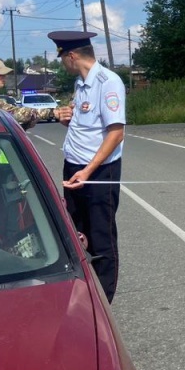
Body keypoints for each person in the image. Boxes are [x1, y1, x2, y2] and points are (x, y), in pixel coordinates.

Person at [49, 31, 126, 302]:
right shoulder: (80, 84)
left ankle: (104, 300)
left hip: (97, 171)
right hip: (75, 167)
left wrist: (88, 171)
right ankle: (84, 286)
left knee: (100, 234)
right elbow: (88, 124)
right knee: (77, 231)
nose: (62, 64)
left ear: (71, 56)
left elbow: (116, 133)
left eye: (62, 58)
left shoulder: (108, 82)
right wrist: (67, 121)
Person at [0, 57, 53, 129]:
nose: (4, 77)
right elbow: (14, 113)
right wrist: (51, 113)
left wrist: (26, 125)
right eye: (0, 74)